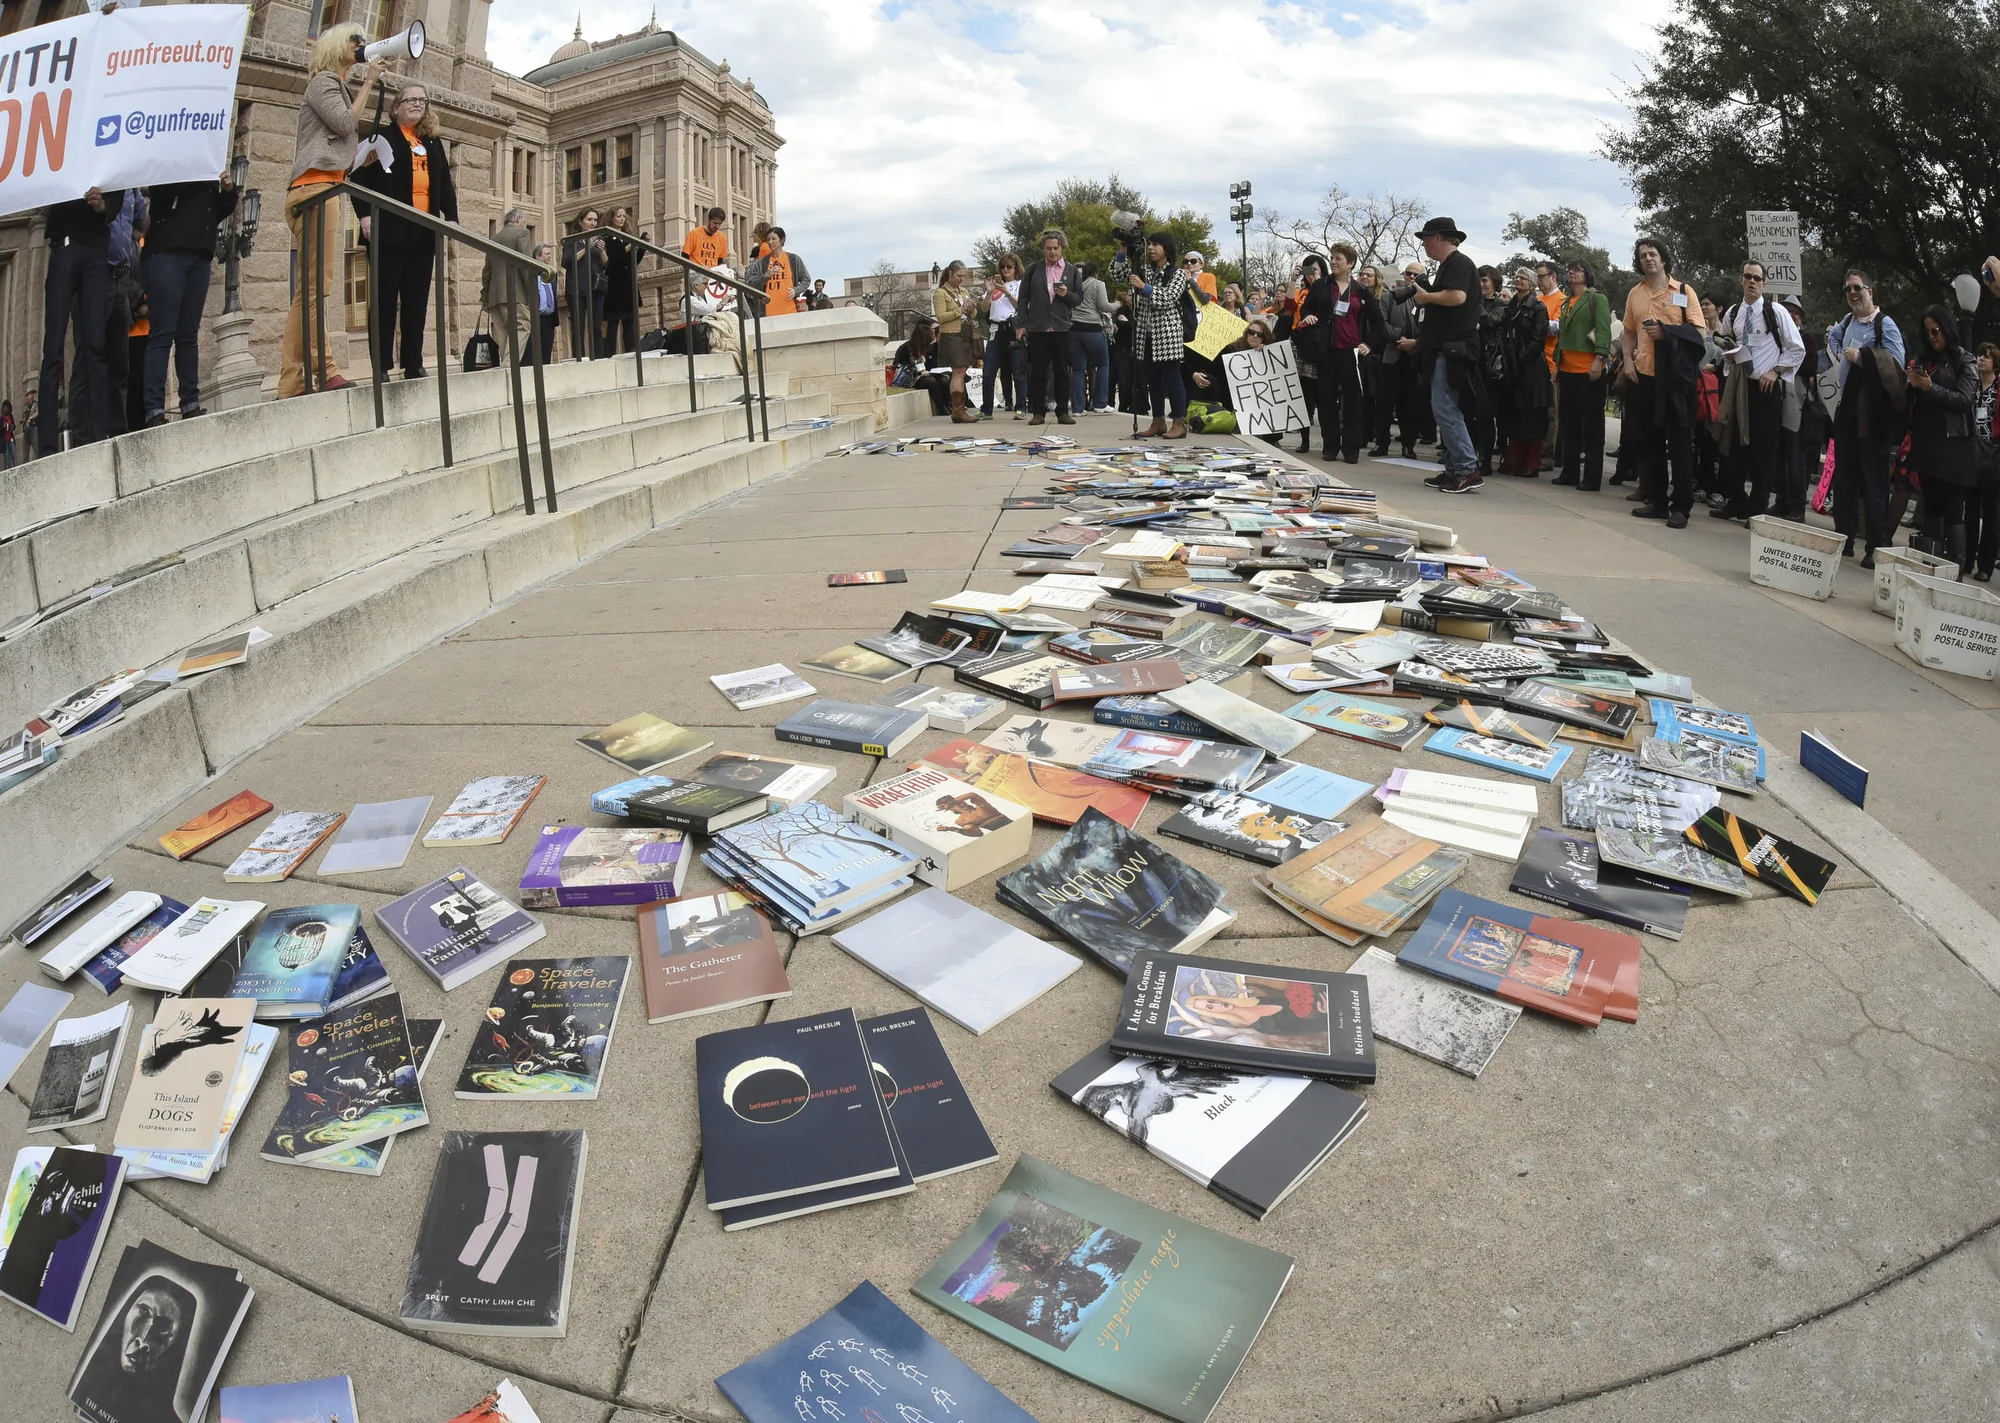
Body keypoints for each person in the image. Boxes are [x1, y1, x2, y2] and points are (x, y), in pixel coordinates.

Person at [282, 23, 388, 396]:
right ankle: (324, 368)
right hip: (315, 191)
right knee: (318, 289)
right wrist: (370, 81)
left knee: (307, 291)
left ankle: (293, 381)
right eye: (356, 41)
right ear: (337, 46)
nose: (362, 46)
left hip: (319, 188)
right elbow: (344, 122)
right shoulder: (325, 82)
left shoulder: (334, 85)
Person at [350, 82, 458, 381]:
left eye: (422, 100)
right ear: (395, 107)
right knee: (384, 300)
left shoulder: (432, 142)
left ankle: (413, 363)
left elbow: (444, 184)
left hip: (424, 231)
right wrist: (364, 216)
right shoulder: (379, 137)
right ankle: (381, 367)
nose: (417, 104)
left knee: (417, 300)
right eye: (410, 99)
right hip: (388, 231)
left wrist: (451, 217)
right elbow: (357, 179)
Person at [1621, 236, 1709, 526]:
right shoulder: (1635, 293)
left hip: (1676, 380)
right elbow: (1629, 332)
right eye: (1643, 255)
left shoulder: (1684, 291)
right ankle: (1657, 500)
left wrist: (1666, 332)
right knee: (1650, 443)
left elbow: (1699, 333)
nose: (1648, 258)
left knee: (1681, 444)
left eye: (1653, 254)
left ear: (1663, 259)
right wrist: (1628, 361)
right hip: (1645, 376)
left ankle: (1681, 506)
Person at [1821, 269, 1905, 566]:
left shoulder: (1886, 325)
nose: (1852, 293)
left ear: (1871, 290)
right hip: (1846, 412)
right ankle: (1842, 538)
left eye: (1857, 287)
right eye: (1848, 289)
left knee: (1874, 482)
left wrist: (1864, 357)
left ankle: (1874, 546)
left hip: (1873, 416)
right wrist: (1833, 341)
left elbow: (1897, 367)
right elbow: (1835, 350)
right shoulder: (1847, 322)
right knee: (1844, 479)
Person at [1710, 260, 1805, 522]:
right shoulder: (1733, 312)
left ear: (1764, 284)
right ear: (1741, 280)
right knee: (1736, 446)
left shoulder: (1775, 312)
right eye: (1747, 276)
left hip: (1766, 387)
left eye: (1756, 278)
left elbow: (1796, 348)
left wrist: (1775, 371)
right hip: (1741, 386)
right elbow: (1727, 339)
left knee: (1764, 450)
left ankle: (1757, 506)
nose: (1751, 281)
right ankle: (1734, 500)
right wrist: (1729, 355)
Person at [143, 173, 237, 426]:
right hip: (167, 253)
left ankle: (190, 402)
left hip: (199, 255)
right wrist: (193, 171)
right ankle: (154, 408)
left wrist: (227, 192)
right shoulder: (172, 164)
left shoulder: (208, 169)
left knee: (188, 333)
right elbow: (162, 194)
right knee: (163, 332)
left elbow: (213, 212)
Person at [37, 185, 122, 450]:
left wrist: (103, 206)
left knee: (95, 346)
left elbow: (118, 187)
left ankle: (99, 436)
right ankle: (48, 446)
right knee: (53, 350)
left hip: (96, 248)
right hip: (64, 243)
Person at [1401, 218, 1480, 493]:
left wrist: (1426, 298)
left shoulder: (1458, 263)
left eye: (1425, 238)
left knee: (1445, 408)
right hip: (1446, 347)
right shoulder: (1451, 265)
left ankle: (1467, 469)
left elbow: (1457, 297)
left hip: (1453, 348)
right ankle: (1454, 468)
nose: (1423, 243)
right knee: (1445, 408)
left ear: (1439, 237)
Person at [1905, 306, 1980, 571]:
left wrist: (1930, 387)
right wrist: (1912, 384)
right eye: (1927, 332)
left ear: (1947, 330)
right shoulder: (1925, 358)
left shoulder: (1964, 360)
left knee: (1952, 507)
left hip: (1953, 446)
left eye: (1935, 331)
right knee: (1931, 505)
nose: (1932, 337)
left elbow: (1965, 399)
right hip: (1927, 440)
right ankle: (1931, 563)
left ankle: (1957, 568)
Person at [1296, 242, 1382, 464]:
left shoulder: (1361, 291)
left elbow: (1378, 322)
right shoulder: (1321, 286)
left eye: (1339, 259)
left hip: (1351, 354)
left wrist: (1368, 344)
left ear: (1350, 264)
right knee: (1326, 400)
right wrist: (1308, 316)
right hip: (1326, 351)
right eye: (1332, 258)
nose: (1333, 262)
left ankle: (1351, 447)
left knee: (1354, 401)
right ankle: (1330, 446)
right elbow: (1306, 308)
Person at [1553, 261, 1613, 489]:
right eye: (1570, 270)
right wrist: (1558, 362)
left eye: (1578, 270)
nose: (1572, 272)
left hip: (1590, 371)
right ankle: (1569, 472)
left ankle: (1592, 477)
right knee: (1569, 424)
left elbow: (1603, 329)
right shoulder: (1567, 301)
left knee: (1593, 426)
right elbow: (1562, 336)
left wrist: (1600, 358)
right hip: (1567, 369)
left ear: (1587, 275)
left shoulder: (1596, 298)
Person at [1016, 228, 1082, 426]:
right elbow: (1023, 299)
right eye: (1049, 248)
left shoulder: (1071, 270)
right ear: (1043, 250)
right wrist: (1020, 325)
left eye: (1056, 248)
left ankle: (1063, 411)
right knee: (1038, 371)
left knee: (1062, 371)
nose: (1053, 252)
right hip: (1038, 327)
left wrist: (1066, 294)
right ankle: (1038, 411)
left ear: (1062, 248)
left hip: (1061, 327)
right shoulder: (1033, 269)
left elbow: (1079, 298)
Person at [1131, 231, 1193, 439]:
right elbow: (1120, 275)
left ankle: (1178, 422)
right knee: (1153, 380)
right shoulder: (1146, 270)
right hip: (1146, 333)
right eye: (1149, 245)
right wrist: (1124, 251)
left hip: (1168, 334)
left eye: (1156, 245)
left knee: (1173, 378)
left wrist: (1145, 288)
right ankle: (1157, 421)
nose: (1151, 249)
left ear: (1166, 249)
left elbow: (1169, 298)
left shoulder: (1177, 273)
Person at [1499, 267, 1554, 476]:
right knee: (1513, 415)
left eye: (1524, 278)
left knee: (1532, 417)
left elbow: (1538, 339)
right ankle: (1514, 461)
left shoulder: (1538, 307)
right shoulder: (1511, 306)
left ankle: (1531, 464)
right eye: (1517, 277)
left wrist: (1520, 357)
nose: (1519, 280)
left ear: (1531, 284)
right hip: (1511, 367)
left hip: (1532, 369)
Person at [1275, 254, 1328, 454]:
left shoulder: (1328, 290)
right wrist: (1293, 279)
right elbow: (1288, 307)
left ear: (1323, 271)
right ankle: (1304, 439)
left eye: (1315, 270)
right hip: (1299, 343)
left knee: (1321, 394)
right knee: (1303, 394)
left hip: (1320, 345)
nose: (1311, 274)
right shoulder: (1301, 291)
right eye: (1308, 270)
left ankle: (1328, 441)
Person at [1374, 261, 1425, 458]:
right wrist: (1400, 337)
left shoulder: (1425, 299)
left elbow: (1430, 327)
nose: (1411, 278)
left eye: (1416, 275)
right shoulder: (1389, 297)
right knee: (1385, 403)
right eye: (1409, 274)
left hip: (1414, 358)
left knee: (1410, 405)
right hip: (1392, 356)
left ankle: (1408, 445)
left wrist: (1416, 342)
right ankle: (1381, 444)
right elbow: (1381, 323)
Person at [480, 207, 536, 361]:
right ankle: (509, 366)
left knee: (502, 332)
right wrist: (531, 293)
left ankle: (505, 369)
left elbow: (487, 271)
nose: (524, 225)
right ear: (518, 220)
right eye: (524, 222)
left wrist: (485, 297)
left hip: (495, 295)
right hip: (515, 292)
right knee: (522, 326)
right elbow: (526, 266)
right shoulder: (522, 233)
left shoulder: (493, 239)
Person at [931, 260, 980, 423]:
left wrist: (971, 308)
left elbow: (973, 315)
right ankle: (958, 410)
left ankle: (959, 410)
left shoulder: (964, 291)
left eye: (964, 276)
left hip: (965, 333)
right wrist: (961, 310)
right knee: (958, 372)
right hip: (951, 335)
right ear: (950, 274)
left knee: (962, 371)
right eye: (959, 276)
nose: (961, 279)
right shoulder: (940, 293)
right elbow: (941, 317)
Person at [1471, 266, 1508, 477]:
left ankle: (1484, 459)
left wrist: (1475, 302)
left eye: (1484, 280)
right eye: (1478, 281)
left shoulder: (1501, 305)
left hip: (1490, 367)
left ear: (1494, 282)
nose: (1481, 284)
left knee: (1485, 416)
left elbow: (1489, 322)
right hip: (1469, 362)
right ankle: (1467, 454)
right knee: (1469, 414)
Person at [979, 252, 1024, 418]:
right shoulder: (995, 286)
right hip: (996, 330)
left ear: (1015, 268)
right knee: (989, 371)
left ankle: (1021, 407)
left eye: (1009, 267)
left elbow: (1020, 306)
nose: (1006, 270)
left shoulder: (1020, 285)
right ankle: (986, 409)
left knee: (1018, 371)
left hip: (1013, 329)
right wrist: (990, 292)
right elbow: (984, 308)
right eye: (1003, 267)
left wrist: (1007, 292)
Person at [598, 207, 645, 356]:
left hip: (628, 285)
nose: (622, 219)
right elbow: (612, 261)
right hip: (614, 286)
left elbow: (633, 261)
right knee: (612, 323)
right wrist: (628, 247)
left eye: (624, 216)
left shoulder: (626, 236)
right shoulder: (607, 237)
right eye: (619, 216)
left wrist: (642, 247)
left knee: (629, 323)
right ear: (611, 218)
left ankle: (631, 353)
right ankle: (610, 354)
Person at [1070, 260, 1113, 414]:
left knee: (1078, 369)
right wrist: (1118, 304)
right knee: (1103, 364)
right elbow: (1103, 306)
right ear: (1096, 273)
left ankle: (1077, 408)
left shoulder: (1076, 286)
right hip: (1093, 328)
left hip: (1074, 329)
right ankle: (1100, 403)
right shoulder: (1098, 284)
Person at [1973, 341, 2000, 581]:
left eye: (1987, 357)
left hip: (1992, 454)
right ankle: (1965, 557)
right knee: (1969, 508)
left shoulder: (1998, 387)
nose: (1981, 359)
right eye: (1979, 355)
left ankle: (1985, 565)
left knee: (1991, 512)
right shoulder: (1972, 385)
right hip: (1970, 452)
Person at [565, 208, 608, 358]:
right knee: (578, 328)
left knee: (597, 327)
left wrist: (602, 251)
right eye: (589, 220)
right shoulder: (572, 240)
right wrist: (586, 248)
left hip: (595, 289)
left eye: (595, 220)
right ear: (580, 221)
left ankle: (599, 358)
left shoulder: (599, 238)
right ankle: (579, 359)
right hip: (576, 289)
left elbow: (606, 264)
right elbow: (567, 262)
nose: (593, 223)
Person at [892, 317, 951, 416]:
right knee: (931, 381)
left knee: (942, 379)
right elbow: (906, 366)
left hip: (920, 374)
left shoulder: (923, 348)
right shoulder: (908, 348)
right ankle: (941, 407)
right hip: (908, 377)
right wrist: (922, 372)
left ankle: (948, 405)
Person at [744, 226, 809, 317]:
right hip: (767, 314)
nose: (770, 242)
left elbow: (806, 279)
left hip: (791, 312)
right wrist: (766, 276)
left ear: (782, 240)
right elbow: (751, 284)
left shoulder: (793, 259)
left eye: (773, 239)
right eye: (768, 239)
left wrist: (796, 290)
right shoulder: (761, 263)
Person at [533, 243, 561, 363]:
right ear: (538, 257)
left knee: (547, 351)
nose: (549, 256)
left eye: (550, 254)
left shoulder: (553, 274)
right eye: (546, 254)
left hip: (549, 318)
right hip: (535, 318)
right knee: (534, 352)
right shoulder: (532, 274)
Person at [1, 399, 14, 468]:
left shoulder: (11, 416)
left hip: (11, 439)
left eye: (7, 408)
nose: (5, 409)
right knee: (6, 460)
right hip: (5, 440)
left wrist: (12, 427)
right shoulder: (1, 418)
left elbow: (13, 425)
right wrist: (3, 427)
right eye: (4, 408)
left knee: (14, 458)